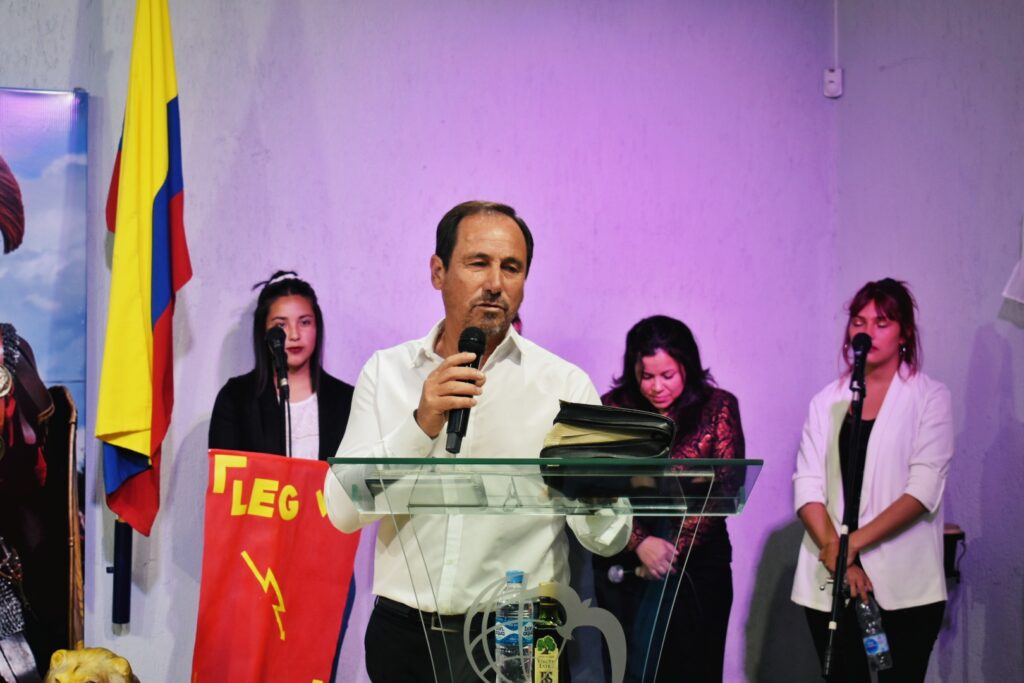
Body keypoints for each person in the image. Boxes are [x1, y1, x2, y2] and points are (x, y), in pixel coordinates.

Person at [323, 200, 630, 683]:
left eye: (512, 267)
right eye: (478, 262)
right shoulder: (387, 373)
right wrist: (420, 424)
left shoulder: (564, 386)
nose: (495, 283)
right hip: (407, 630)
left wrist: (588, 489)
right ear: (438, 272)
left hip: (521, 629)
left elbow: (611, 537)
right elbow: (343, 512)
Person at [791, 278, 953, 683]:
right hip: (830, 576)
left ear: (905, 333)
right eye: (859, 322)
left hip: (904, 580)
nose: (867, 332)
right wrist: (838, 554)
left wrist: (848, 548)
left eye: (882, 322)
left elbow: (922, 491)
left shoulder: (929, 398)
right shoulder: (827, 401)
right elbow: (807, 485)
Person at [591, 315, 743, 683]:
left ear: (687, 367)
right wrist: (640, 543)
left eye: (668, 375)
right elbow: (596, 487)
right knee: (628, 668)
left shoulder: (718, 406)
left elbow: (724, 487)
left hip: (697, 564)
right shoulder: (614, 408)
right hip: (627, 560)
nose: (657, 387)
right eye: (647, 376)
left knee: (694, 667)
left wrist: (668, 555)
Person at [209, 271, 354, 459]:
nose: (294, 335)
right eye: (281, 325)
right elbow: (226, 472)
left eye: (305, 322)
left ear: (317, 327)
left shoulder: (347, 401)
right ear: (264, 331)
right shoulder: (236, 398)